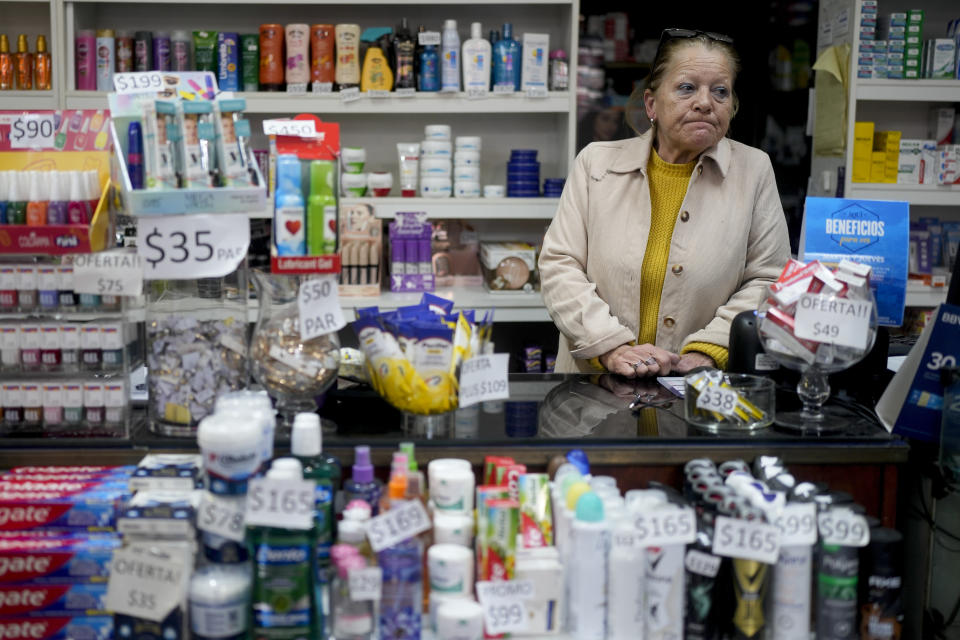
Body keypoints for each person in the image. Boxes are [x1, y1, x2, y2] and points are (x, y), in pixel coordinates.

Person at [539, 28, 790, 377]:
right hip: (593, 389)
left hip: (699, 389)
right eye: (687, 88)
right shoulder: (596, 163)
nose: (705, 102)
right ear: (651, 104)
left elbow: (769, 276)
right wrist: (609, 345)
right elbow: (559, 264)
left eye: (720, 91)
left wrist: (708, 350)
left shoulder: (754, 169)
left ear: (732, 107)